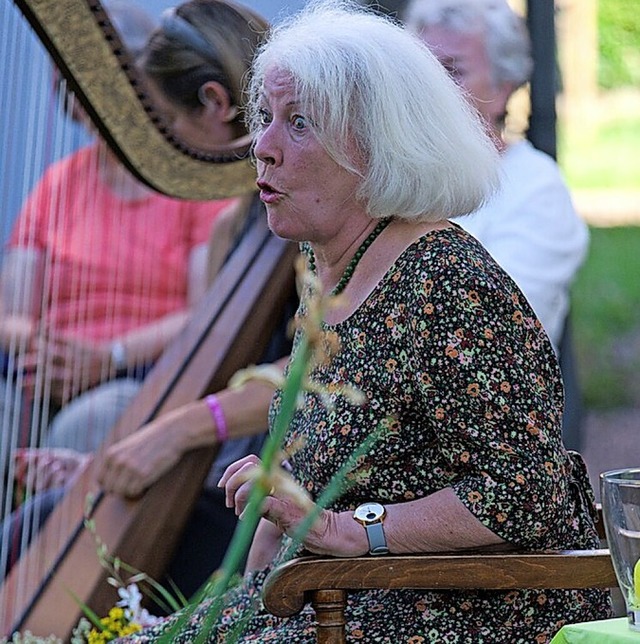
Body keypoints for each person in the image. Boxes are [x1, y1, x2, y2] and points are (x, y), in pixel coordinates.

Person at [116, 1, 612, 641]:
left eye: (299, 124)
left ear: (381, 144)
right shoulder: (335, 271)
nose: (262, 149)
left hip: (449, 612)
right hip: (344, 598)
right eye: (266, 118)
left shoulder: (446, 282)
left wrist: (350, 530)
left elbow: (525, 493)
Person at [0, 0, 295, 600]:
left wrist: (163, 426)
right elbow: (215, 362)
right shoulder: (227, 230)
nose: (159, 140)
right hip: (214, 450)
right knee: (27, 525)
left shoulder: (313, 227)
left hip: (261, 477)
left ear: (216, 104)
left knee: (29, 534)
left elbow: (313, 373)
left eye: (159, 120)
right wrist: (96, 466)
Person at [0, 0, 233, 462]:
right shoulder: (56, 185)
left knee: (86, 424)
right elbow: (10, 312)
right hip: (44, 372)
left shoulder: (195, 186)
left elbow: (203, 311)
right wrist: (46, 349)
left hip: (142, 375)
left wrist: (112, 355)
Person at [402, 0, 589, 355]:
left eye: (452, 70)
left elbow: (487, 332)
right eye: (420, 71)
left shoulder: (535, 187)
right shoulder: (396, 180)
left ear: (504, 85)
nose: (430, 89)